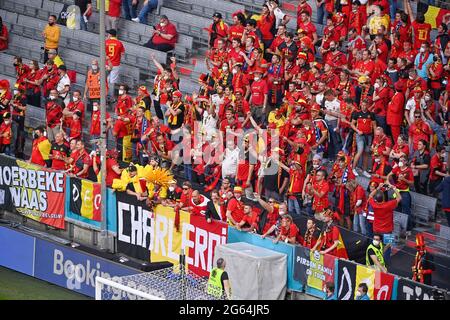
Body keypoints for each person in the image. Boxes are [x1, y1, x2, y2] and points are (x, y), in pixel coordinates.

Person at [105, 29, 125, 99]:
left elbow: (104, 53)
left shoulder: (106, 42)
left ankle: (106, 94)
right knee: (113, 81)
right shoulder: (119, 43)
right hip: (116, 64)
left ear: (110, 35)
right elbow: (122, 53)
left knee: (106, 80)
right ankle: (111, 96)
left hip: (107, 63)